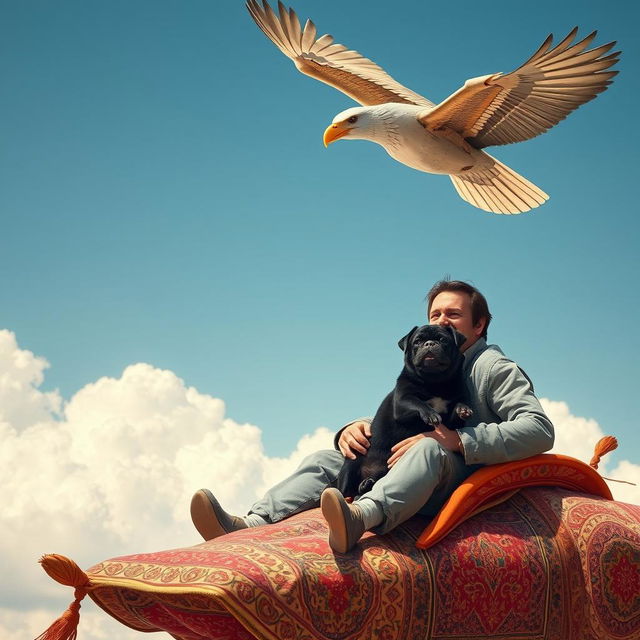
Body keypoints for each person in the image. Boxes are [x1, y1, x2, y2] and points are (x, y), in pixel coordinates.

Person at [190, 279, 554, 553]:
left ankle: (359, 518)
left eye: (454, 315)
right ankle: (247, 523)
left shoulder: (493, 368)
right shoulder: (430, 362)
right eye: (435, 314)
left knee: (426, 451)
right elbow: (399, 413)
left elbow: (538, 429)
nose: (442, 321)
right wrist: (353, 430)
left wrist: (459, 439)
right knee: (327, 459)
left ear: (479, 326)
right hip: (400, 466)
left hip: (455, 477)